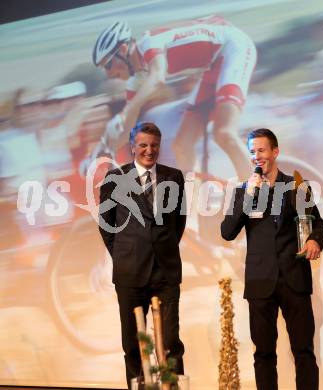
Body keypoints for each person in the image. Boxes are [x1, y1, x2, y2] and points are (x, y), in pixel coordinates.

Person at [221, 128, 323, 390]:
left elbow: (319, 226)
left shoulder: (295, 186)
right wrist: (247, 198)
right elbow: (227, 232)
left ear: (275, 152)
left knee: (304, 351)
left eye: (262, 150)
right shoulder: (244, 191)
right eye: (252, 152)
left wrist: (314, 240)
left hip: (294, 279)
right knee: (264, 354)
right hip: (260, 282)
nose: (257, 156)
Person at [91, 15, 257, 178]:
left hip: (234, 48)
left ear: (123, 50)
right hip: (213, 65)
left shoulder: (149, 43)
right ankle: (193, 204)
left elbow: (157, 78)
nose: (110, 74)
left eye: (108, 65)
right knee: (181, 144)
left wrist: (126, 111)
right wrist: (101, 153)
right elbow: (126, 129)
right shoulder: (136, 80)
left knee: (224, 133)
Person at [98, 122, 186, 389]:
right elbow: (106, 225)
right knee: (133, 345)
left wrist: (164, 248)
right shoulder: (115, 178)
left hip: (165, 273)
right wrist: (124, 255)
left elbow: (179, 222)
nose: (150, 150)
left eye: (154, 145)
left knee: (170, 343)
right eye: (144, 145)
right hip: (130, 274)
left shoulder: (174, 177)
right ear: (132, 146)